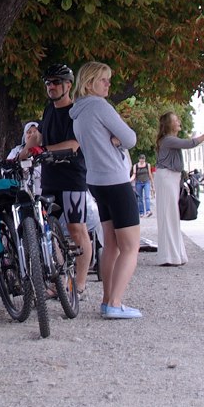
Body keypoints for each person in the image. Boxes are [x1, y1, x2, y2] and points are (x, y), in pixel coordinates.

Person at [69, 61, 142, 320]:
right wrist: (117, 139)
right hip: (116, 179)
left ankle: (107, 300)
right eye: (103, 80)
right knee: (131, 246)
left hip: (96, 181)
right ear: (90, 83)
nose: (108, 84)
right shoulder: (100, 106)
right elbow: (131, 139)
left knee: (110, 243)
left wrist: (112, 138)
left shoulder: (77, 112)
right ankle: (115, 302)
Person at [21, 64, 92, 298]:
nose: (51, 87)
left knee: (77, 229)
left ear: (68, 85)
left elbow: (74, 144)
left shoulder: (76, 112)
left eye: (56, 82)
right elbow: (39, 135)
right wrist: (22, 154)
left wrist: (42, 149)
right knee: (48, 229)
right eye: (48, 83)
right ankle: (60, 281)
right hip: (50, 179)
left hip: (72, 179)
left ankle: (79, 285)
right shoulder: (48, 109)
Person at [155, 112, 204, 266]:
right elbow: (191, 143)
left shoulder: (168, 140)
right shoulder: (168, 140)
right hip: (167, 177)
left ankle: (175, 254)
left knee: (172, 216)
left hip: (171, 177)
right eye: (176, 120)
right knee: (169, 216)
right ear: (169, 124)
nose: (179, 122)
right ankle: (169, 255)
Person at [7, 121, 42, 195]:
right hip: (19, 188)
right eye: (29, 132)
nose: (32, 135)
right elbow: (8, 165)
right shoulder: (17, 150)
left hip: (40, 191)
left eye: (35, 132)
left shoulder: (44, 149)